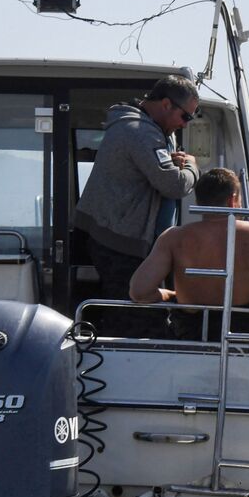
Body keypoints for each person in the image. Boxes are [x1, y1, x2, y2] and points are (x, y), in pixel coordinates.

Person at [74, 74, 200, 334]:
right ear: (166, 104)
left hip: (120, 236)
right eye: (185, 116)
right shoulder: (140, 132)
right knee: (137, 318)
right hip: (121, 241)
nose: (185, 125)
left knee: (128, 311)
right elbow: (174, 185)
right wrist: (192, 167)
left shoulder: (143, 130)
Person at [129, 168, 249, 341]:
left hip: (190, 339)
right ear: (233, 200)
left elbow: (139, 292)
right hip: (243, 340)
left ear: (198, 200)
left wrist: (170, 295)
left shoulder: (173, 238)